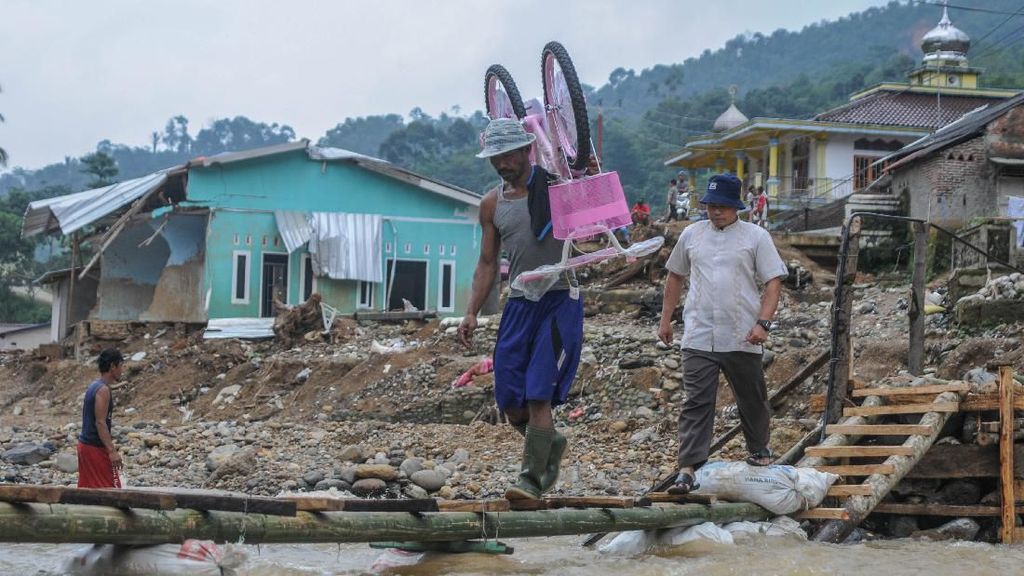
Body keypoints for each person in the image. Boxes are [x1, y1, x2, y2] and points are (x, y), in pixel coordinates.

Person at [459, 118, 583, 500]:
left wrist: (587, 175)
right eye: (495, 158)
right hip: (519, 302)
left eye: (509, 156)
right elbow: (487, 263)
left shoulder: (556, 189)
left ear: (527, 150)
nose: (502, 164)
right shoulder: (491, 204)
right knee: (511, 400)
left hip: (558, 299)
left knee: (538, 392)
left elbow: (593, 214)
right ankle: (550, 442)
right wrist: (471, 311)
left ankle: (531, 481)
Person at [657, 173, 788, 494]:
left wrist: (763, 323)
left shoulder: (755, 237)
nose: (716, 211)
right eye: (711, 205)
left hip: (742, 333)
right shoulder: (691, 234)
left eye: (723, 206)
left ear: (736, 207)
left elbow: (773, 281)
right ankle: (688, 468)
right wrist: (665, 320)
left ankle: (759, 452)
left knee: (752, 398)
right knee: (696, 401)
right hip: (699, 332)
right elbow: (675, 276)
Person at [78, 348, 124, 488]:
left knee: (88, 489)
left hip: (86, 445)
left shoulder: (95, 385)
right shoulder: (103, 390)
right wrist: (112, 451)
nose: (122, 370)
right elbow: (100, 422)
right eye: (120, 366)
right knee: (111, 489)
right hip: (94, 447)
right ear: (112, 366)